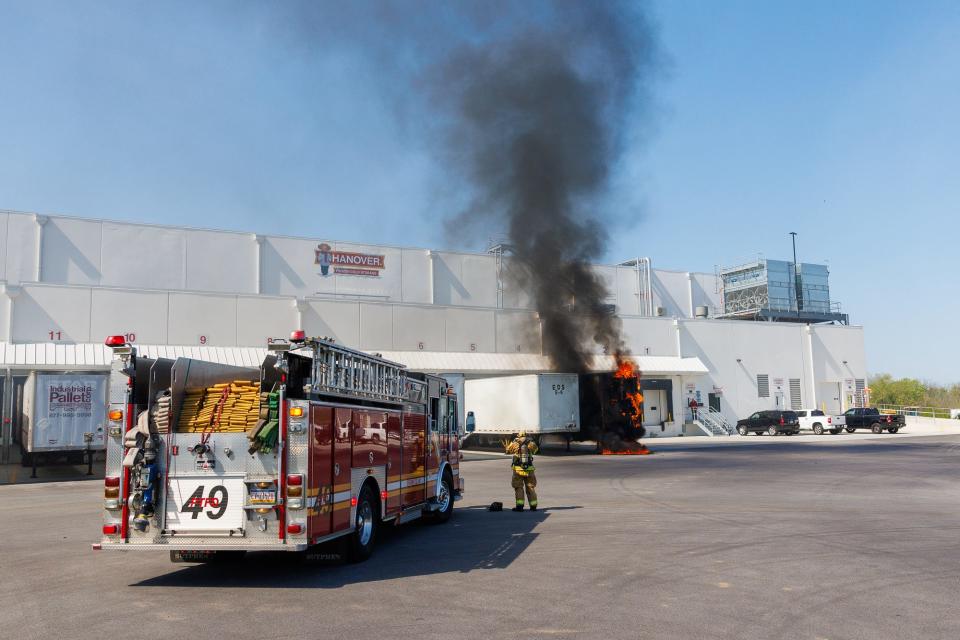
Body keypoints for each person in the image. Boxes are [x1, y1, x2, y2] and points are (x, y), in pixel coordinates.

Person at [505, 431, 538, 511]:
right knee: (530, 487)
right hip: (529, 469)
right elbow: (536, 450)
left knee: (518, 487)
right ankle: (533, 505)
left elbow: (508, 451)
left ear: (518, 435)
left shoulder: (515, 443)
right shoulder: (530, 443)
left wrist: (509, 444)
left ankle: (520, 506)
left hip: (518, 470)